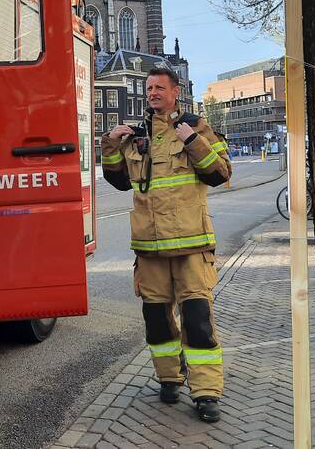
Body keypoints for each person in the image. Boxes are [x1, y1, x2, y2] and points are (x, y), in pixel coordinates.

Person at [100, 67, 232, 423]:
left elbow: (220, 173)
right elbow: (118, 181)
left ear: (176, 91)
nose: (153, 93)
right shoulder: (137, 135)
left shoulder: (197, 127)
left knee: (198, 321)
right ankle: (169, 379)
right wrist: (111, 142)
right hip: (150, 250)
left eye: (160, 87)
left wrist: (192, 140)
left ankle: (206, 393)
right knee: (156, 323)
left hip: (191, 249)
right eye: (149, 88)